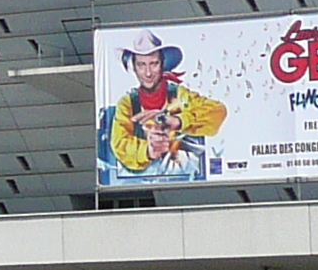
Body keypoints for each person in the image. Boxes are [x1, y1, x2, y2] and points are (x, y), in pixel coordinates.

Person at [98, 35, 228, 184]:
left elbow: (218, 111)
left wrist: (179, 121)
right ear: (134, 67)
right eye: (141, 65)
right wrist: (148, 150)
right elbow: (120, 143)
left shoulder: (180, 95)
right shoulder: (126, 103)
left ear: (162, 64)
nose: (148, 73)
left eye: (153, 64)